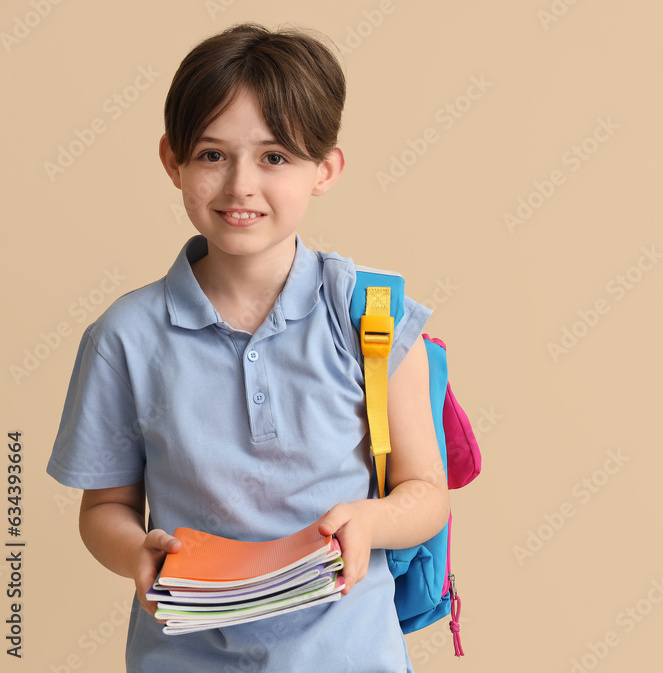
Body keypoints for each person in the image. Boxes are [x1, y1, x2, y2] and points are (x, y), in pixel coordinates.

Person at [47, 22, 449, 672]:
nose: (240, 185)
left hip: (350, 655)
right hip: (183, 656)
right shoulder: (124, 336)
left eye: (275, 157)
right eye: (212, 155)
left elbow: (426, 489)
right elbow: (106, 507)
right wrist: (135, 552)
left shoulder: (371, 315)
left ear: (326, 169)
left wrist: (369, 522)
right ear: (171, 160)